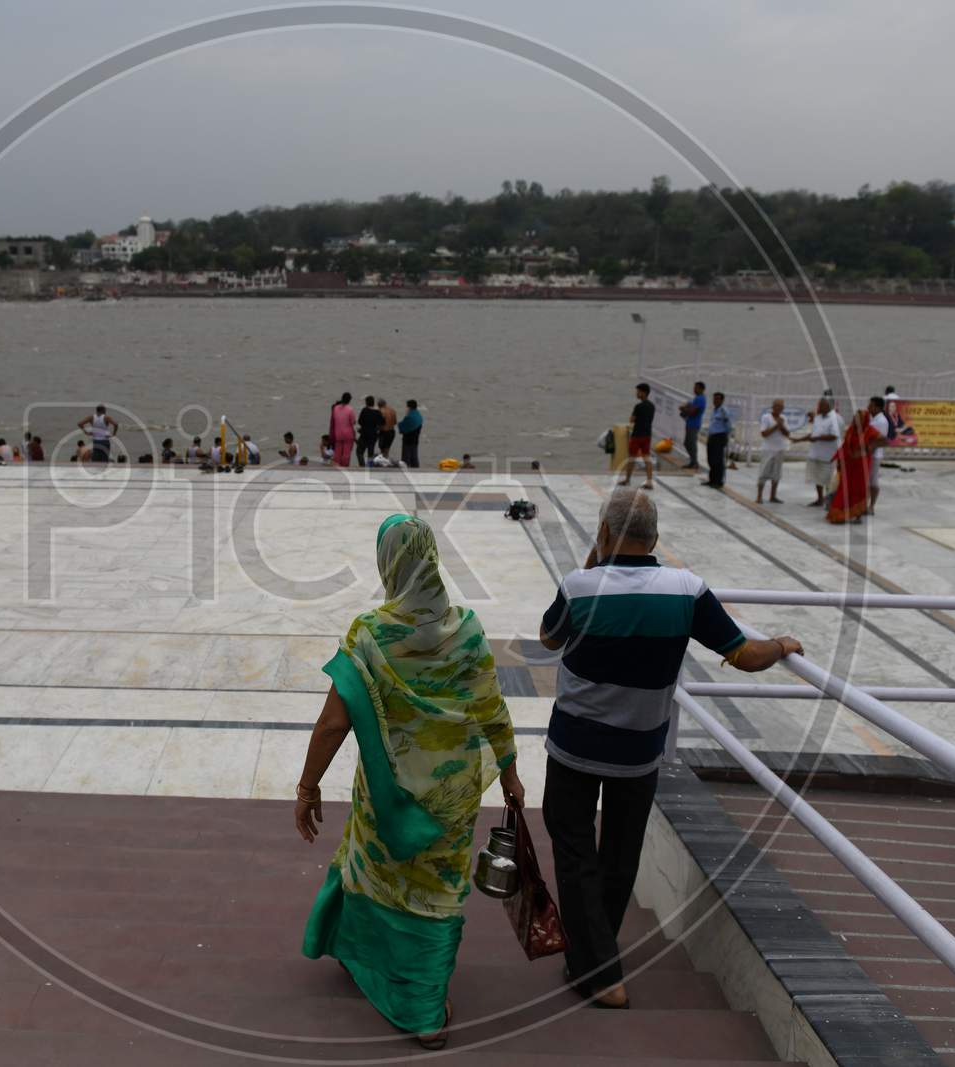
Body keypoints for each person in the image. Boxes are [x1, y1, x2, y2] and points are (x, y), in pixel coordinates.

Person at [538, 489, 801, 1008]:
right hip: (639, 751)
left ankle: (600, 973)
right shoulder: (687, 590)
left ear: (605, 533)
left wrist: (596, 556)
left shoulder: (580, 586)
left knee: (573, 850)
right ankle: (593, 960)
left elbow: (549, 638)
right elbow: (745, 655)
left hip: (574, 743)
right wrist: (781, 645)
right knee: (620, 852)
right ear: (655, 537)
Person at [297, 514, 523, 1049]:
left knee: (378, 872)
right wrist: (510, 774)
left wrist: (308, 788)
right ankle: (421, 988)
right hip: (453, 798)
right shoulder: (466, 627)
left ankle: (421, 1010)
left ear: (387, 562)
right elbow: (493, 706)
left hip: (388, 796)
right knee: (439, 893)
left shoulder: (370, 633)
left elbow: (334, 722)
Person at [827, 410, 884, 525]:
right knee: (845, 487)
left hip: (862, 465)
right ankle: (841, 512)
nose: (856, 420)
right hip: (849, 464)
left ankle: (857, 514)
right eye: (855, 418)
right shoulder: (851, 430)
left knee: (859, 488)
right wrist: (838, 458)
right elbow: (844, 446)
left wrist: (869, 448)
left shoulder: (870, 431)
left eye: (859, 418)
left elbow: (885, 440)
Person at [796, 396, 843, 508]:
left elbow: (834, 436)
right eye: (819, 404)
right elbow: (815, 433)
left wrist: (817, 438)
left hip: (829, 456)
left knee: (828, 480)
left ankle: (829, 501)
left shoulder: (836, 418)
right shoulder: (818, 418)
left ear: (829, 406)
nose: (818, 406)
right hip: (816, 453)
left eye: (821, 405)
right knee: (817, 479)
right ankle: (820, 499)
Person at [618, 383, 655, 490]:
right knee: (646, 457)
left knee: (631, 458)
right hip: (647, 435)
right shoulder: (652, 406)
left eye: (638, 391)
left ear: (644, 392)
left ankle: (627, 480)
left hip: (637, 435)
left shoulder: (638, 406)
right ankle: (649, 481)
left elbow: (631, 420)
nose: (637, 393)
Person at [756, 398, 789, 504]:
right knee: (763, 472)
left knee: (777, 474)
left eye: (781, 407)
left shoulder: (783, 418)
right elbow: (764, 434)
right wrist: (776, 426)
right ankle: (759, 496)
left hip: (780, 449)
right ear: (773, 407)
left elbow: (787, 434)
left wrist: (781, 425)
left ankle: (773, 496)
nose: (779, 408)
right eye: (777, 406)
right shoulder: (766, 417)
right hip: (768, 450)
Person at [703, 392, 732, 489]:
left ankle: (718, 481)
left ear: (722, 400)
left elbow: (728, 424)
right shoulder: (714, 410)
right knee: (711, 459)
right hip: (712, 436)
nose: (715, 401)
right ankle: (712, 479)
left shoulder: (723, 411)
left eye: (717, 399)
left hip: (720, 437)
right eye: (714, 399)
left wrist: (726, 437)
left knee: (718, 460)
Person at [866, 396, 890, 515]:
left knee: (873, 481)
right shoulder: (873, 418)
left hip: (874, 455)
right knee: (868, 481)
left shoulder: (881, 421)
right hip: (868, 454)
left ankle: (871, 506)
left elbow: (880, 440)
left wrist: (870, 448)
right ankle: (865, 504)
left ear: (877, 407)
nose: (868, 407)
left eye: (870, 405)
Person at [678, 381, 706, 471]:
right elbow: (691, 407)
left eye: (696, 387)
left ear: (701, 389)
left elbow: (693, 412)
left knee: (691, 443)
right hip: (690, 423)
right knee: (687, 443)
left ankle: (695, 462)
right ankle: (693, 461)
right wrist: (687, 407)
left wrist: (684, 409)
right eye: (694, 387)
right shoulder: (697, 398)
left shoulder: (700, 399)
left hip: (694, 424)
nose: (694, 389)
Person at [329, 392, 356, 468]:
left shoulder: (335, 408)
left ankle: (337, 466)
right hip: (348, 434)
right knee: (346, 452)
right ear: (349, 400)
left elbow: (334, 420)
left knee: (338, 451)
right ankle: (345, 466)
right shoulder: (350, 409)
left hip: (338, 433)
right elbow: (353, 422)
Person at [355, 396, 383, 467]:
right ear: (373, 403)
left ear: (366, 402)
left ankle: (362, 465)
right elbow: (382, 422)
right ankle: (370, 467)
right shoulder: (377, 412)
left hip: (364, 434)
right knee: (370, 452)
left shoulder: (364, 410)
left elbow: (360, 421)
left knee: (359, 451)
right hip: (373, 435)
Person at [398, 399, 423, 469]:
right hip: (415, 440)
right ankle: (416, 471)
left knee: (406, 458)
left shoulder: (409, 417)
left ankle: (406, 472)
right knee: (414, 457)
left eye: (407, 406)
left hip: (408, 440)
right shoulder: (419, 416)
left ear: (409, 407)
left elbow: (402, 427)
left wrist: (399, 425)